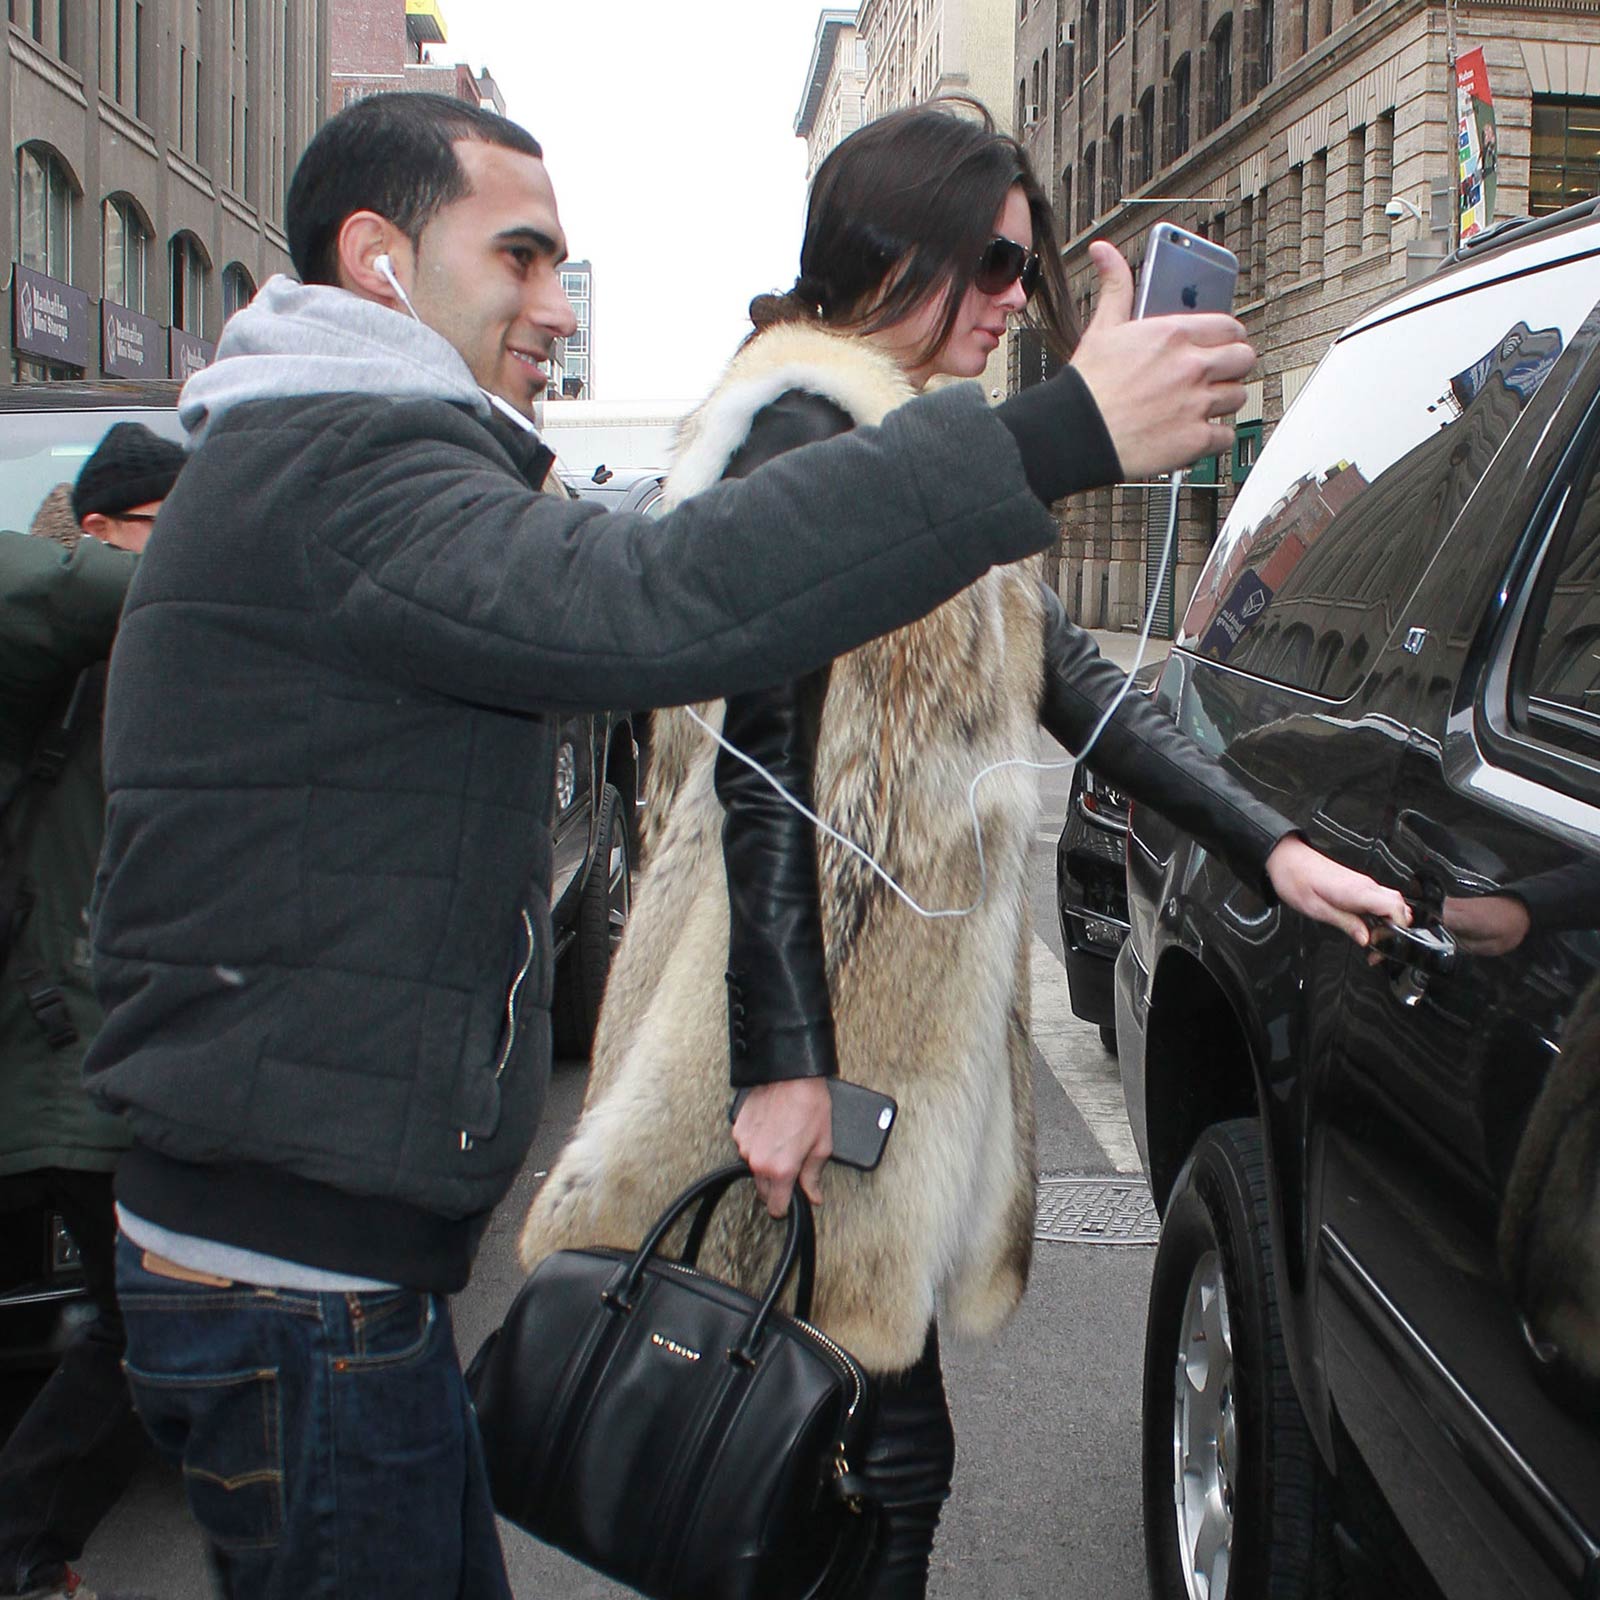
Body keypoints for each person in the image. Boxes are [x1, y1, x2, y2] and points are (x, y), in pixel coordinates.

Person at [84, 89, 1256, 1598]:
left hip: (317, 1279)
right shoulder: (347, 469)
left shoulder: (334, 454)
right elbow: (662, 606)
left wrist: (1259, 835)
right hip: (297, 1294)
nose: (555, 309)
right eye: (520, 258)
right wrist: (1061, 430)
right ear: (378, 256)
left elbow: (1047, 673)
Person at [518, 100, 1409, 1598]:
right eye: (991, 268)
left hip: (867, 1050)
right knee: (838, 1463)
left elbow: (1074, 685)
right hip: (800, 1046)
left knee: (838, 1460)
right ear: (889, 251)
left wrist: (1271, 850)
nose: (1014, 304)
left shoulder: (916, 448)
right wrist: (787, 1065)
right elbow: (761, 764)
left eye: (1027, 274)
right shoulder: (804, 429)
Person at [0, 424, 184, 1600]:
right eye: (166, 542)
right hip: (58, 1062)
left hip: (82, 1057)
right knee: (150, 1334)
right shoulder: (58, 646)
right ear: (104, 534)